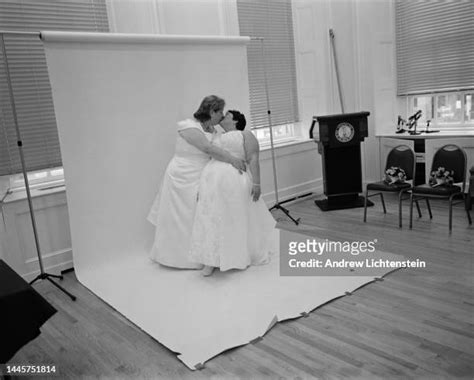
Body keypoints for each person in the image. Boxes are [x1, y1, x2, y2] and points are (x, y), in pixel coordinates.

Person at [147, 96, 246, 269]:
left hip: (202, 174)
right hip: (181, 174)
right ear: (211, 111)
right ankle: (174, 256)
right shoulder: (188, 127)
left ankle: (201, 255)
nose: (222, 116)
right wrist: (232, 159)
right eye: (220, 112)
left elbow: (216, 150)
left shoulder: (214, 131)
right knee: (179, 216)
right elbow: (207, 148)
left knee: (198, 214)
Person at [189, 110, 278, 276]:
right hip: (211, 178)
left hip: (234, 179)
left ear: (236, 120)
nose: (223, 116)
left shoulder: (245, 134)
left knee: (232, 216)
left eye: (227, 114)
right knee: (211, 216)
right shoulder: (214, 135)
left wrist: (257, 183)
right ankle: (211, 258)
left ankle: (236, 255)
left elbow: (253, 159)